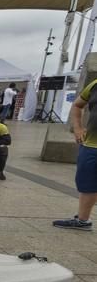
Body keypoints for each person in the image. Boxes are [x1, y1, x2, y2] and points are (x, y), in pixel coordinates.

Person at [53, 77, 97, 231]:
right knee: (87, 184)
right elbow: (78, 105)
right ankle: (83, 221)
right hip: (91, 145)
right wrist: (77, 128)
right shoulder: (94, 85)